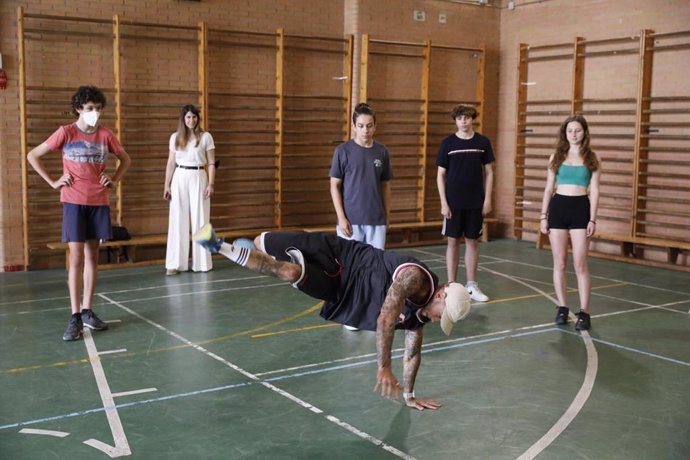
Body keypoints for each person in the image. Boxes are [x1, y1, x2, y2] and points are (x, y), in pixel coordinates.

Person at [193, 223, 471, 411]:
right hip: (342, 257)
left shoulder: (421, 314)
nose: (437, 321)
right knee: (258, 242)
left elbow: (412, 354)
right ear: (441, 296)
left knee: (290, 272)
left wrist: (409, 396)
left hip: (342, 292)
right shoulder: (415, 278)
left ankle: (218, 246)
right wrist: (383, 367)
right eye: (441, 316)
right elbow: (386, 318)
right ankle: (228, 247)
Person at [27, 85, 131, 341]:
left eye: (97, 108)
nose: (94, 112)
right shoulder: (66, 132)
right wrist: (53, 181)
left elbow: (125, 159)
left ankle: (87, 311)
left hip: (99, 201)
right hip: (73, 202)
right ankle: (74, 316)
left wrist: (114, 179)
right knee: (75, 258)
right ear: (78, 110)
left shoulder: (106, 135)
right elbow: (33, 155)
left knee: (92, 257)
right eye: (89, 108)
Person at [539, 114, 601, 331]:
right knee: (560, 263)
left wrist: (592, 218)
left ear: (584, 132)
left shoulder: (592, 158)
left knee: (580, 264)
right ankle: (562, 307)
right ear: (565, 133)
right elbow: (548, 188)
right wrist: (543, 216)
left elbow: (594, 190)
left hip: (580, 209)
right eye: (570, 131)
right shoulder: (555, 156)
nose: (574, 134)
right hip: (558, 208)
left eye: (578, 130)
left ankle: (584, 312)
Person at [436, 105, 495, 302]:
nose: (464, 121)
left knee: (472, 242)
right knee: (453, 242)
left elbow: (489, 172)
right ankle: (452, 286)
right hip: (453, 204)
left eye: (467, 118)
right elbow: (440, 175)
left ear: (472, 120)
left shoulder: (482, 142)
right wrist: (444, 203)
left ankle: (471, 285)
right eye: (460, 118)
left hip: (475, 203)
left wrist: (487, 199)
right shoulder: (448, 144)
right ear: (455, 120)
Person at [329, 102, 392, 251]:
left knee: (375, 267)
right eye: (361, 125)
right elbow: (334, 186)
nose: (365, 130)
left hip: (376, 221)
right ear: (354, 126)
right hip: (350, 222)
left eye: (369, 125)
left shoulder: (382, 152)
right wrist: (342, 218)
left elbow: (385, 186)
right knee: (351, 268)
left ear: (375, 126)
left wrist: (387, 217)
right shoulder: (342, 151)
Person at [163, 104, 216, 275]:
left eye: (194, 117)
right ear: (183, 119)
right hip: (180, 176)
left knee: (201, 219)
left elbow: (211, 163)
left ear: (197, 118)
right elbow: (171, 162)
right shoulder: (175, 137)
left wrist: (211, 184)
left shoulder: (206, 137)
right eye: (188, 117)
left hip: (199, 176)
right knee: (178, 219)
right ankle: (175, 263)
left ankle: (202, 264)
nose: (191, 120)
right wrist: (167, 184)